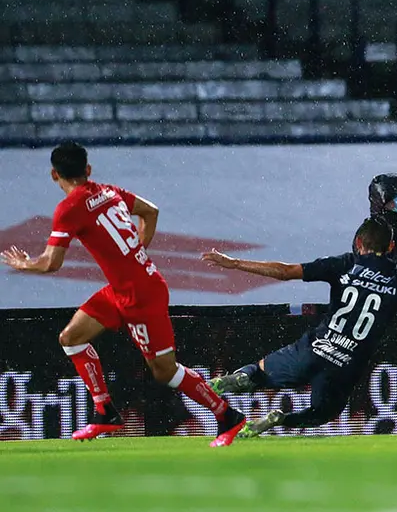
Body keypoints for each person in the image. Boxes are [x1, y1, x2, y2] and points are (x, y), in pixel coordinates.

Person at [0, 142, 245, 447]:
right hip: (124, 289)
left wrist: (23, 264)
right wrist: (139, 250)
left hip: (141, 296)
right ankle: (105, 412)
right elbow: (150, 211)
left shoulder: (68, 208)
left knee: (165, 372)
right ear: (87, 170)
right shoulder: (108, 190)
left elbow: (51, 263)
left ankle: (228, 416)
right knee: (71, 338)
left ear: (54, 175)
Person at [201, 217, 397, 437]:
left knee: (259, 372)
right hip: (346, 366)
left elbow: (285, 272)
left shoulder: (345, 264)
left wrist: (235, 263)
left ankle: (243, 378)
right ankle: (280, 419)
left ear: (358, 242)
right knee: (321, 414)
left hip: (314, 347)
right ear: (391, 248)